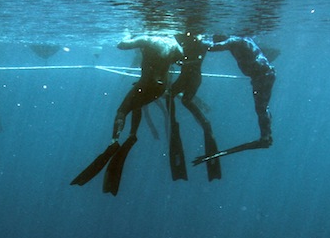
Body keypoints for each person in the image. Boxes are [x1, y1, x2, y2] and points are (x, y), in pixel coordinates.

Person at [71, 33, 183, 195]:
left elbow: (122, 45)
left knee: (122, 111)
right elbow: (180, 61)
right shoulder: (174, 43)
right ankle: (132, 134)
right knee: (137, 105)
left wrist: (128, 33)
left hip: (145, 84)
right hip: (159, 89)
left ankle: (114, 140)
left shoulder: (148, 39)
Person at [194, 34, 275, 166]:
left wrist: (201, 38)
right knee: (262, 108)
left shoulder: (234, 40)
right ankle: (266, 135)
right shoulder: (245, 39)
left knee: (261, 108)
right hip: (264, 75)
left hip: (262, 76)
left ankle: (266, 136)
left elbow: (212, 47)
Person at [167, 32, 221, 181]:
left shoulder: (198, 43)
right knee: (180, 99)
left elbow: (196, 61)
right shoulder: (191, 41)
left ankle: (202, 124)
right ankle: (204, 124)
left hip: (192, 78)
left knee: (177, 97)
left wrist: (181, 62)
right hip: (190, 78)